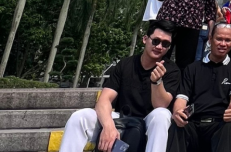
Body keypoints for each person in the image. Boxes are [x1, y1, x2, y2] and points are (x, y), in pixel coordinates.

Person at [60, 21, 179, 152]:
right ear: (145, 39)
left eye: (165, 44)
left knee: (162, 114)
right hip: (121, 120)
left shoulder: (171, 70)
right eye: (156, 41)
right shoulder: (125, 64)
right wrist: (108, 127)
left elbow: (160, 105)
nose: (159, 47)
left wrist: (156, 82)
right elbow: (104, 100)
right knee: (80, 117)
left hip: (148, 124)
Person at [170, 23, 231, 152]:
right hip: (193, 123)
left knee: (228, 125)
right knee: (177, 123)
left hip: (219, 124)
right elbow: (182, 98)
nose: (223, 44)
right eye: (219, 39)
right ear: (210, 39)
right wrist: (178, 112)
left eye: (227, 40)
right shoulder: (192, 68)